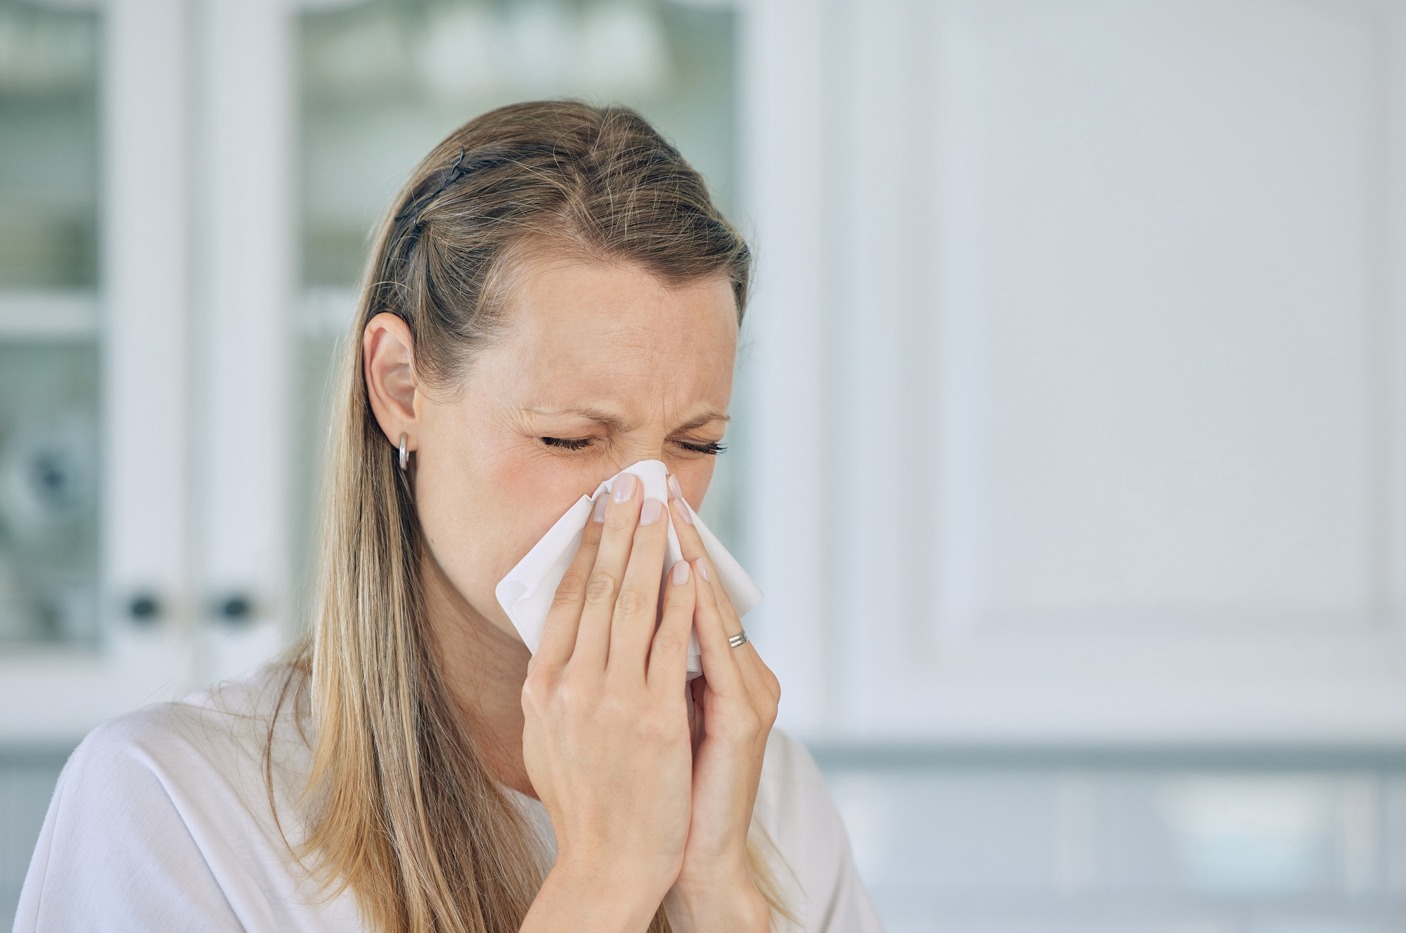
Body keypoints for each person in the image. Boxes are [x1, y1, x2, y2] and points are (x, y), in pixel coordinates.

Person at [15, 100, 882, 933]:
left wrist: (717, 896)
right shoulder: (173, 807)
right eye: (570, 438)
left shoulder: (771, 800)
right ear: (400, 388)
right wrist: (606, 880)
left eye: (697, 443)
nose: (645, 508)